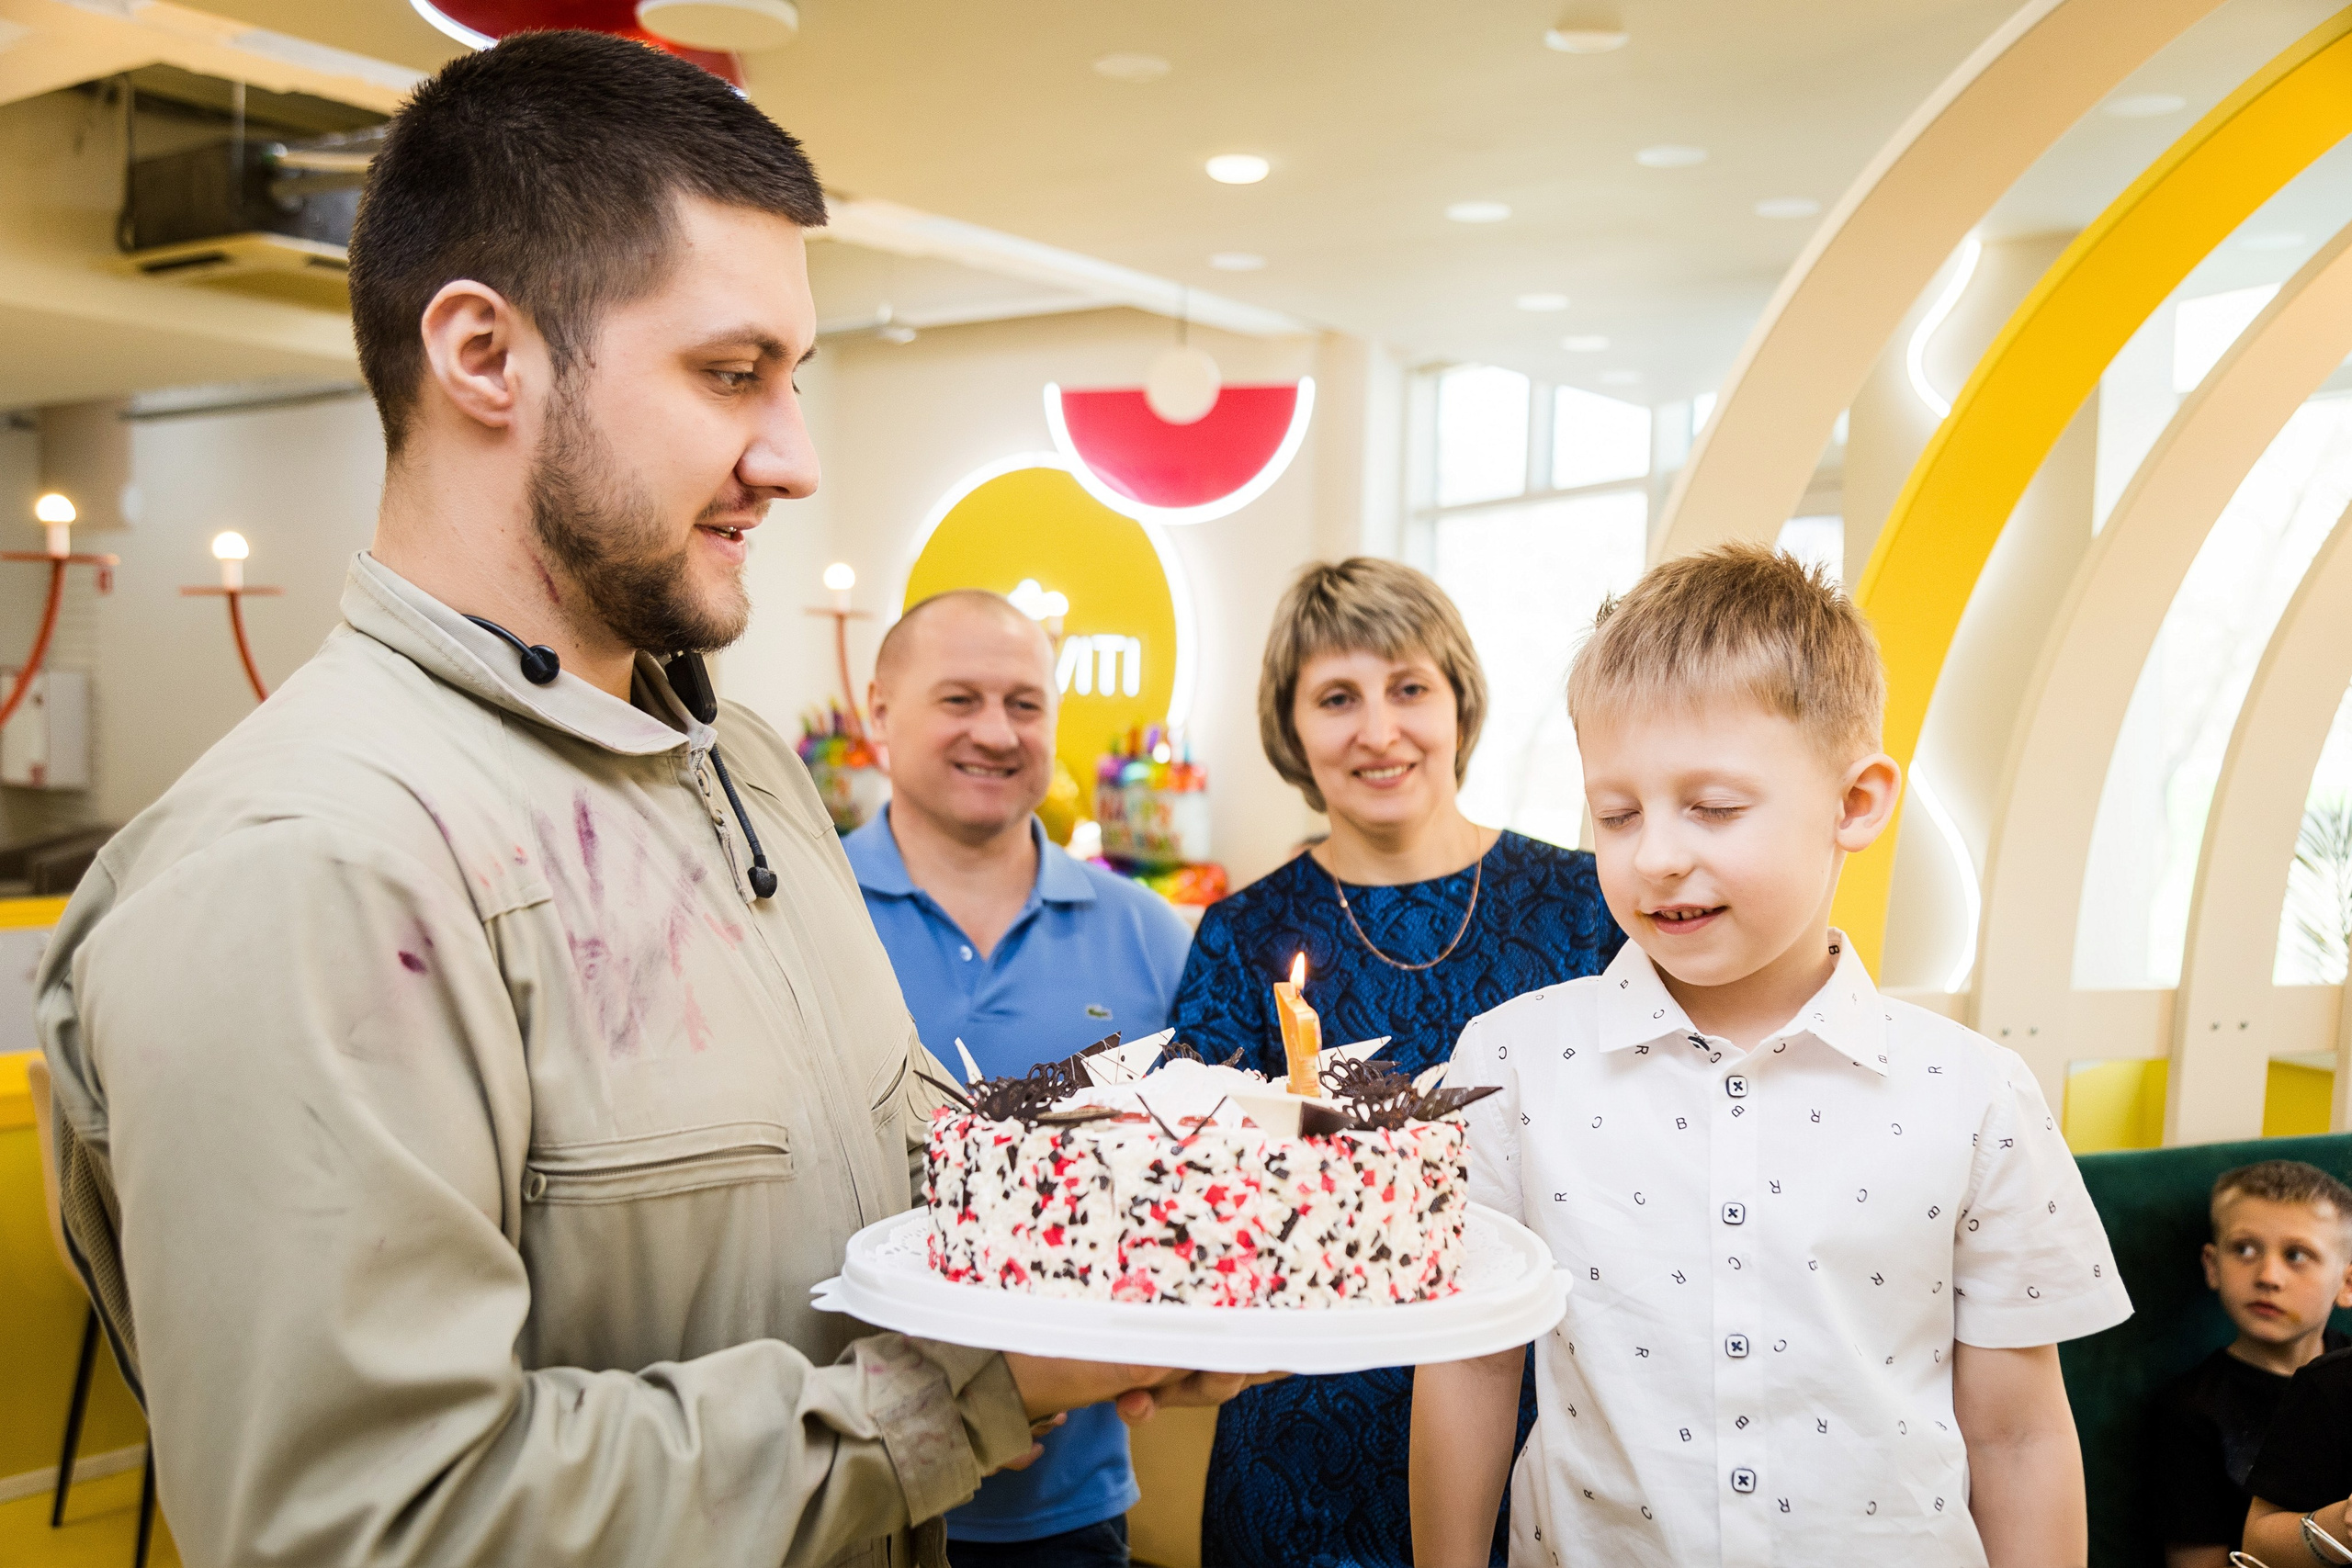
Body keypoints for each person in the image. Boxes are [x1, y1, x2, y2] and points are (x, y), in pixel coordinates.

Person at [32, 33, 1255, 1568]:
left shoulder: (741, 769)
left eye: (791, 378)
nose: (794, 456)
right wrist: (965, 1389)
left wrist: (1154, 1244)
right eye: (730, 373)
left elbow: (867, 1168)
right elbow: (370, 1525)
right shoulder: (309, 864)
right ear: (484, 354)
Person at [1412, 543, 2132, 1567]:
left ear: (1855, 804)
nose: (1656, 852)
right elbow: (1471, 1370)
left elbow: (2016, 1432)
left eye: (1712, 806)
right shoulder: (1509, 1062)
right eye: (1616, 813)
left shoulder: (1974, 1096)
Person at [1167, 557, 1623, 1567]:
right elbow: (1195, 1195)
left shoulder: (1587, 908)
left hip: (1540, 1420)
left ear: (1460, 700)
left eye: (1408, 688)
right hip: (1296, 1437)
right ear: (1292, 730)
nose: (1378, 730)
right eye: (1337, 698)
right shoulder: (1242, 934)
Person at [846, 589, 1193, 1568]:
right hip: (838, 1488)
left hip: (1066, 1509)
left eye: (1024, 704)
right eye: (958, 699)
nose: (995, 733)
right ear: (879, 710)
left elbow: (1208, 1189)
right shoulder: (798, 917)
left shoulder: (1148, 935)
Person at [2154, 1161, 2352, 1567]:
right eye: (2244, 1249)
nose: (2268, 1276)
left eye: (2297, 1255)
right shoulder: (2190, 1411)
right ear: (2212, 1266)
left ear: (2347, 1284)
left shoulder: (2345, 1378)